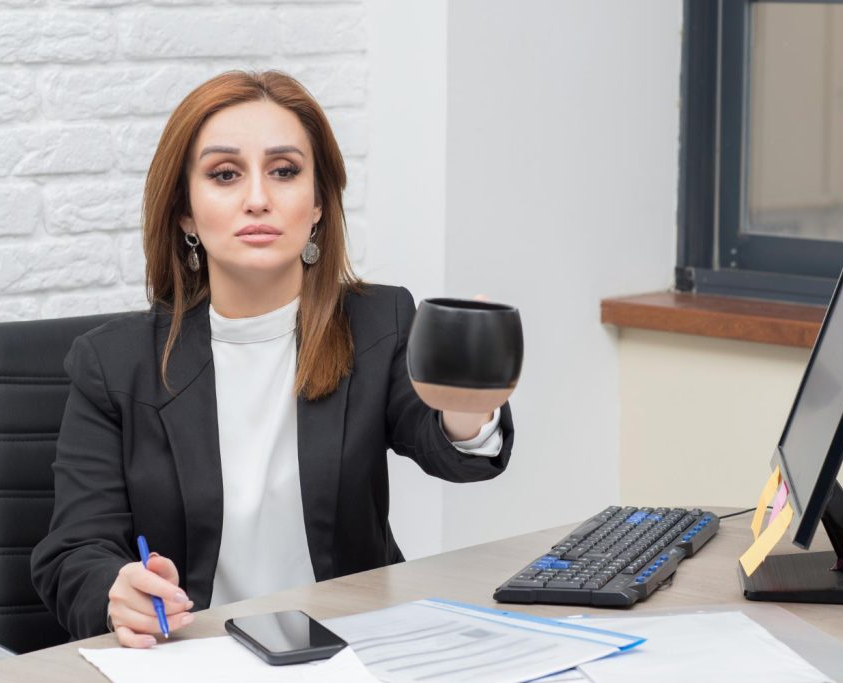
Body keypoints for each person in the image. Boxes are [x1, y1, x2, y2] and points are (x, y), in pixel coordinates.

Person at [30, 70, 515, 648]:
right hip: (196, 655)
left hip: (350, 648)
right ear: (185, 211)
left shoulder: (377, 322)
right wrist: (117, 590)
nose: (258, 198)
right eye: (225, 174)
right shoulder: (114, 363)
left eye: (285, 171)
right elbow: (72, 553)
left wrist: (466, 410)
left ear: (316, 205)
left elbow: (448, 449)